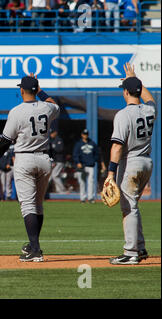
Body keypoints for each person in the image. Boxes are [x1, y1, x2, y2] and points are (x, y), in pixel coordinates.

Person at [0, 74, 60, 262]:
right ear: (36, 90)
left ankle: (35, 249)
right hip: (45, 158)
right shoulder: (47, 107)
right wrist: (41, 90)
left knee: (28, 206)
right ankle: (33, 244)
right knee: (37, 204)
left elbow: (5, 140)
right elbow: (54, 103)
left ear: (21, 90)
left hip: (25, 159)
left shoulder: (16, 111)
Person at [107, 63, 156, 265]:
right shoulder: (150, 110)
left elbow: (117, 147)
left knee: (129, 208)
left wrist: (110, 173)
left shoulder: (123, 115)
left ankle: (131, 253)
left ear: (125, 92)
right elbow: (150, 98)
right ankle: (141, 247)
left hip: (131, 163)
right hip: (146, 162)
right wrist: (135, 78)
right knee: (133, 206)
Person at [73, 128, 106, 203]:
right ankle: (83, 198)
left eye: (86, 134)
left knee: (91, 182)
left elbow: (97, 153)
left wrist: (93, 160)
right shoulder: (78, 144)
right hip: (82, 166)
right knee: (82, 182)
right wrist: (78, 162)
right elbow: (75, 154)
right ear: (82, 135)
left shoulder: (92, 143)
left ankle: (91, 198)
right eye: (84, 134)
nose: (85, 135)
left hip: (90, 165)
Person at [49, 128, 66, 193]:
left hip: (60, 160)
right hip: (54, 161)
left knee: (54, 175)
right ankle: (59, 190)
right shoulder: (51, 140)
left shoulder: (59, 140)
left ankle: (62, 189)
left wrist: (53, 148)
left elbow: (60, 149)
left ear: (55, 132)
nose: (51, 134)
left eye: (52, 133)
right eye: (50, 133)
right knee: (53, 176)